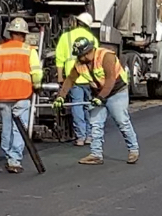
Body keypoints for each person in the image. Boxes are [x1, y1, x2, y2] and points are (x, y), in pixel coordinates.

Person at [53, 37, 139, 165]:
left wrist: (100, 98)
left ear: (87, 52)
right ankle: (96, 154)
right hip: (99, 94)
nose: (79, 59)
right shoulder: (79, 64)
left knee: (122, 121)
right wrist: (61, 96)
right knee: (95, 123)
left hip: (116, 91)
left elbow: (110, 80)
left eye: (80, 56)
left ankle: (133, 149)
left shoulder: (106, 57)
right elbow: (70, 79)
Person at [0, 17, 43, 173]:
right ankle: (15, 160)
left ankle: (9, 156)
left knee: (7, 127)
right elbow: (36, 72)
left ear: (10, 33)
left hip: (3, 96)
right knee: (19, 129)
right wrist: (37, 86)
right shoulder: (29, 51)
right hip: (22, 95)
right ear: (23, 35)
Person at [54, 12, 100, 146]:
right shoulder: (92, 38)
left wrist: (61, 77)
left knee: (77, 106)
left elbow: (59, 59)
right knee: (89, 107)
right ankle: (90, 135)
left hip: (74, 78)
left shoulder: (66, 37)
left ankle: (81, 136)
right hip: (89, 78)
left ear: (76, 23)